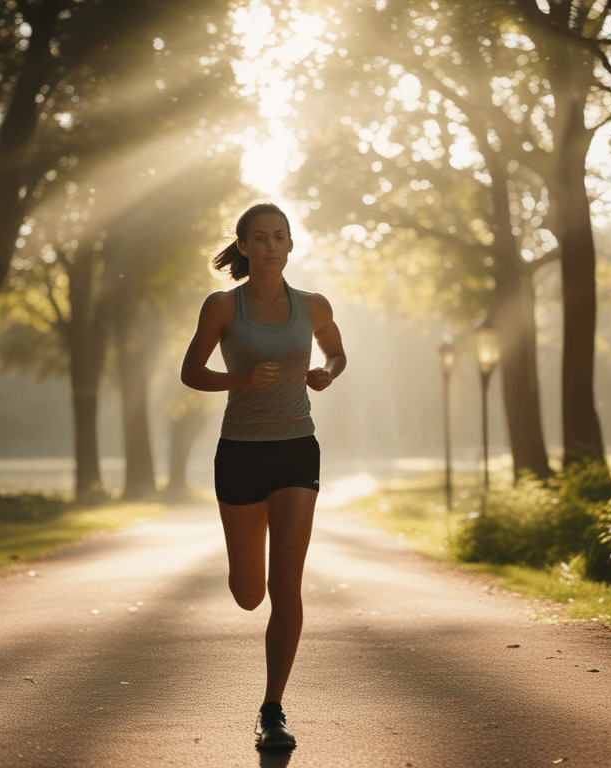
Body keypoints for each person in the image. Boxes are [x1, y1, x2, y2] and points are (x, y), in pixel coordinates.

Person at [180, 202, 346, 751]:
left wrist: (326, 372)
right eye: (261, 238)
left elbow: (338, 352)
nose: (272, 245)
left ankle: (272, 708)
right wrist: (244, 380)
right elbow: (192, 371)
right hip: (241, 454)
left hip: (297, 449)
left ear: (292, 245)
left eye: (280, 236)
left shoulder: (314, 306)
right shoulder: (224, 307)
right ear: (245, 247)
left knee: (286, 585)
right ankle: (245, 582)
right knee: (249, 593)